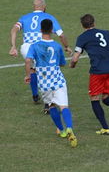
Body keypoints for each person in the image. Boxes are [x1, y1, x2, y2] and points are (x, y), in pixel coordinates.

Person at [9, 0, 73, 113]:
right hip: (41, 48)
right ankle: (47, 104)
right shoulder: (49, 17)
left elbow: (14, 30)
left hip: (26, 48)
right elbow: (61, 35)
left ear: (34, 6)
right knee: (44, 72)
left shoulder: (24, 17)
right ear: (44, 6)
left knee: (33, 70)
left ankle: (35, 95)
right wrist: (66, 47)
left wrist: (13, 46)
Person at [70, 14, 109, 135]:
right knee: (106, 99)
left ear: (82, 25)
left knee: (94, 99)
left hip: (98, 71)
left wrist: (72, 65)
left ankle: (105, 128)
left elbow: (75, 58)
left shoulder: (82, 37)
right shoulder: (105, 33)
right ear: (94, 23)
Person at [24, 19, 77, 148]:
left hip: (44, 82)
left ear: (40, 30)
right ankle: (69, 127)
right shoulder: (57, 46)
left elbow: (27, 61)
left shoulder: (34, 46)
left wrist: (28, 75)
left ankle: (62, 131)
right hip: (57, 80)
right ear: (52, 30)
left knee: (52, 105)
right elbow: (62, 63)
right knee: (64, 106)